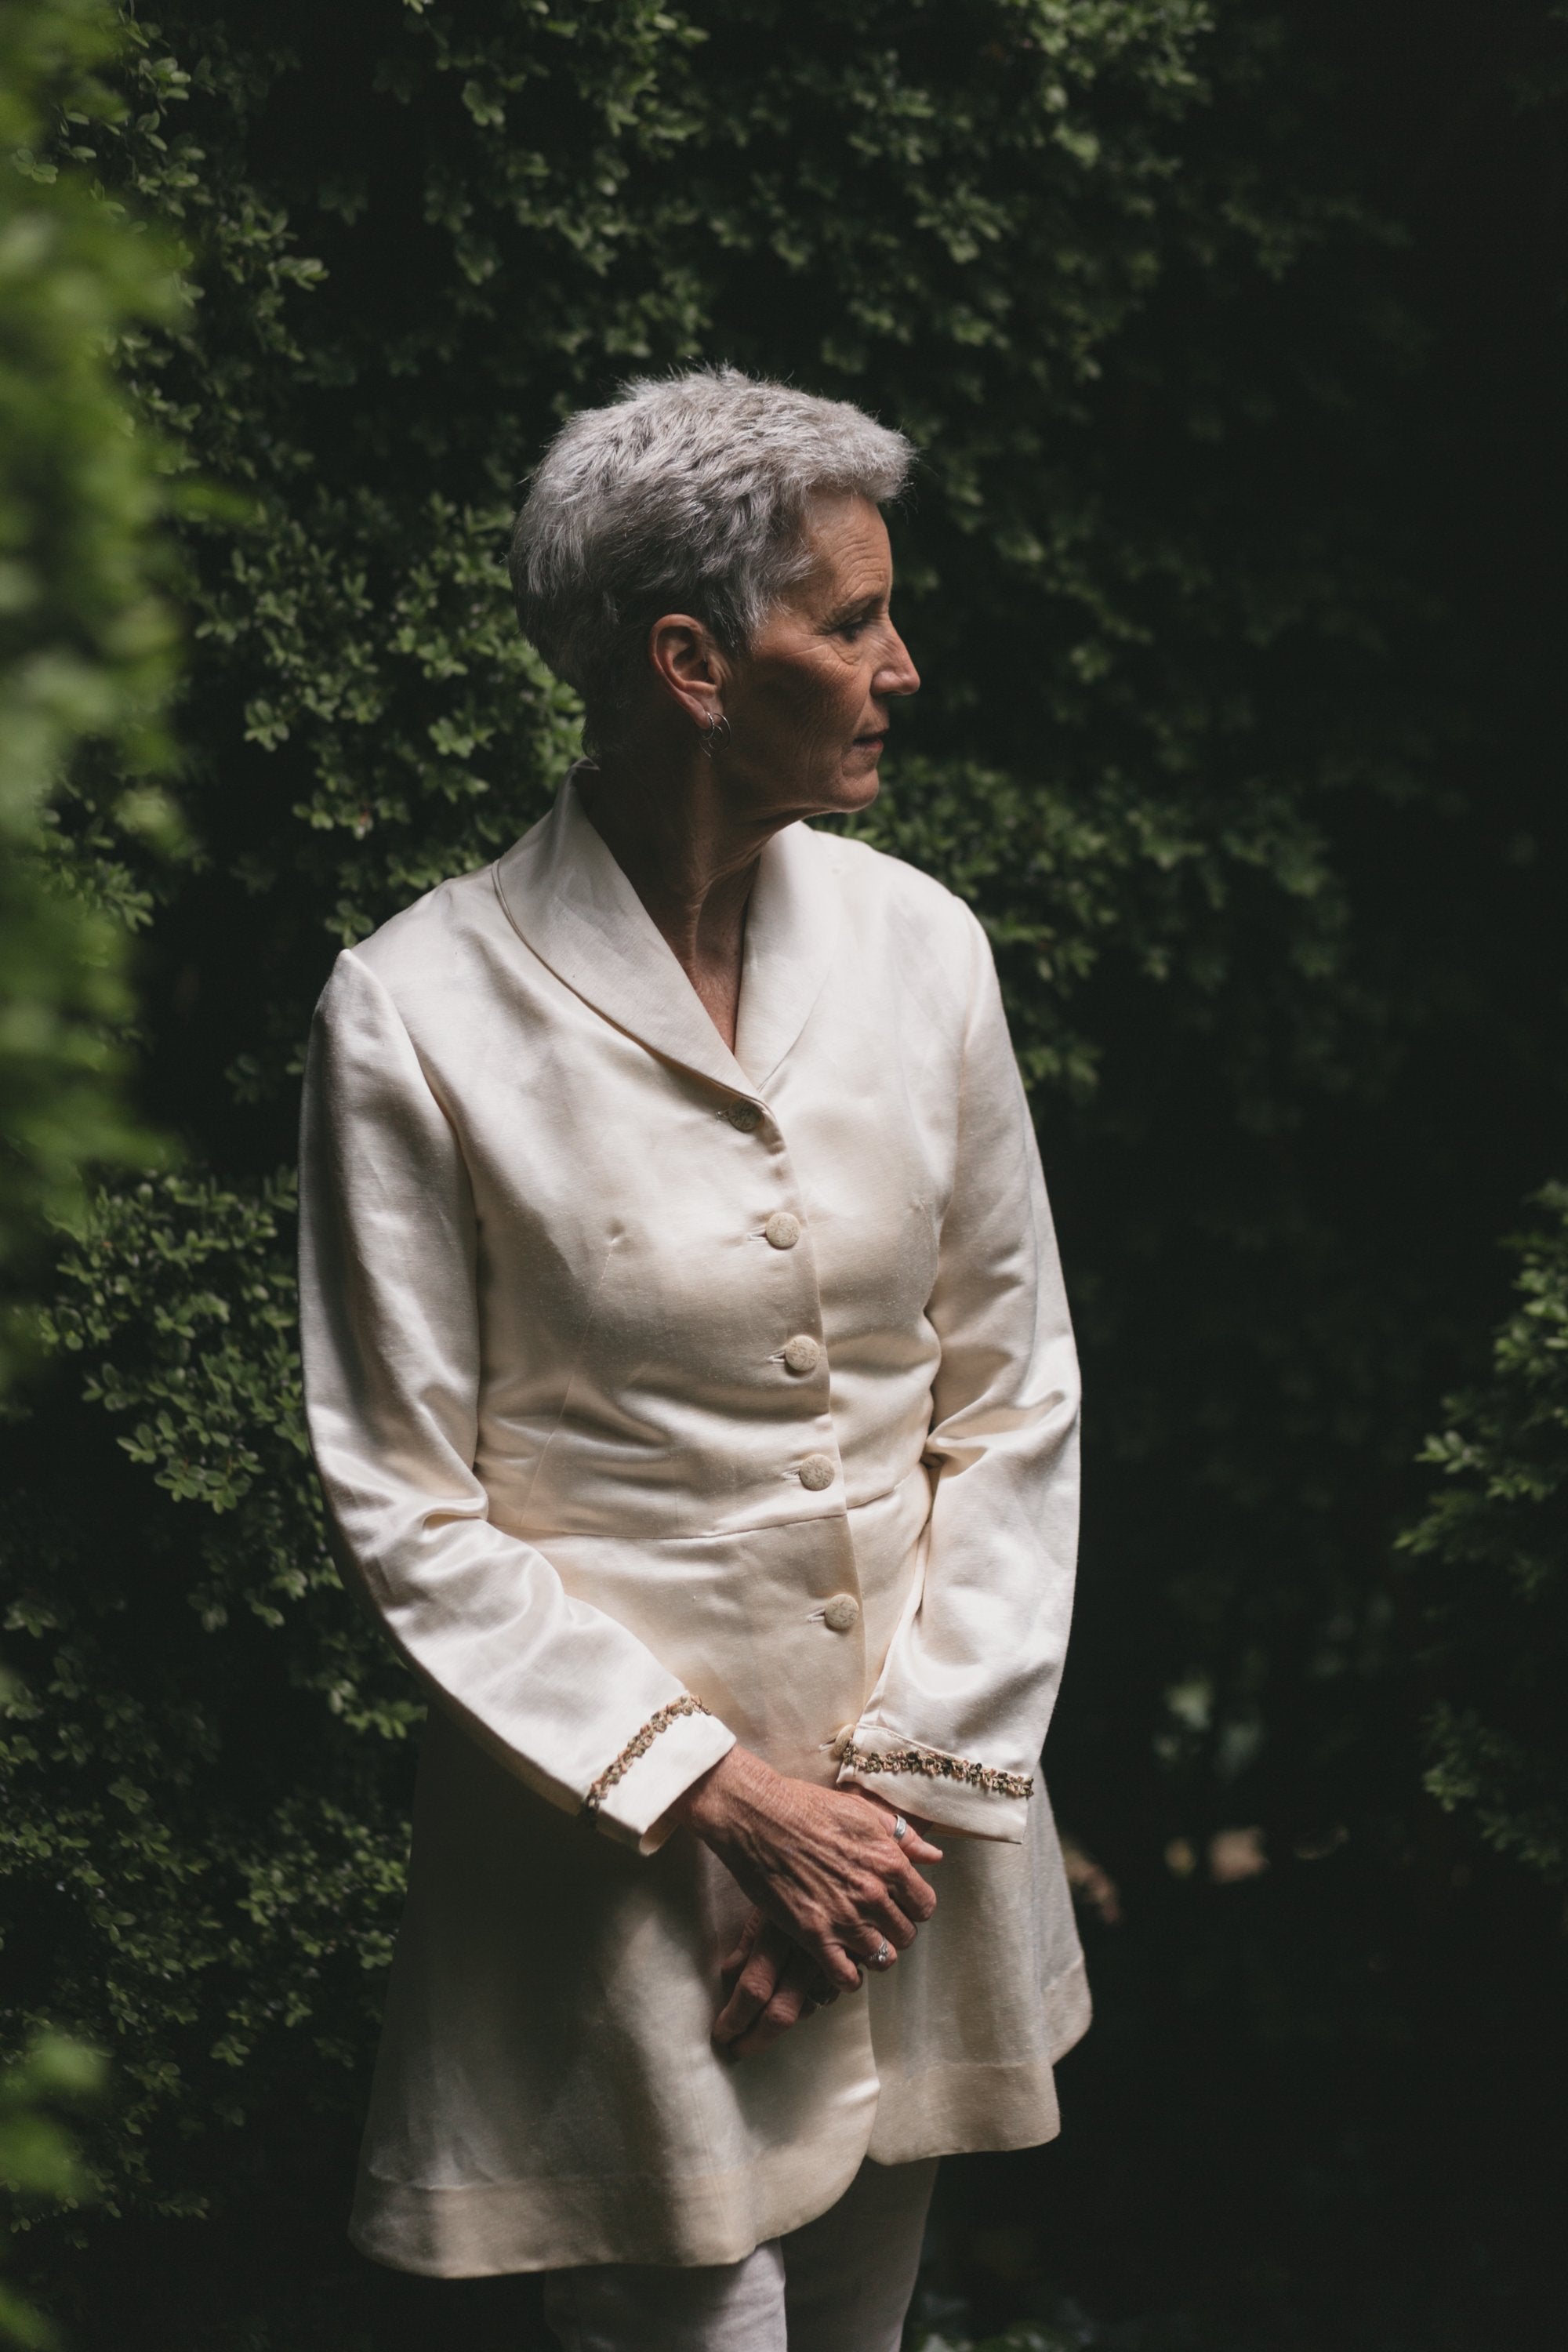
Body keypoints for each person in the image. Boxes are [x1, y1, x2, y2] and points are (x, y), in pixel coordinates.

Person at [298, 365, 1087, 2352]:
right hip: (621, 1888)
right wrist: (731, 1806)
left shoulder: (927, 951)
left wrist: (881, 1821)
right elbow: (406, 1502)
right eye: (851, 621)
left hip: (903, 1854)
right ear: (691, 662)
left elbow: (1013, 1398)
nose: (901, 668)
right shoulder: (413, 1014)